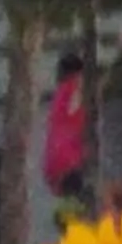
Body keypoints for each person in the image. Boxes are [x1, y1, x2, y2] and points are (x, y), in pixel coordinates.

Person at [41, 50, 90, 207]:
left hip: (54, 161)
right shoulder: (74, 88)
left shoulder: (59, 93)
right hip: (69, 160)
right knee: (84, 207)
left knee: (74, 206)